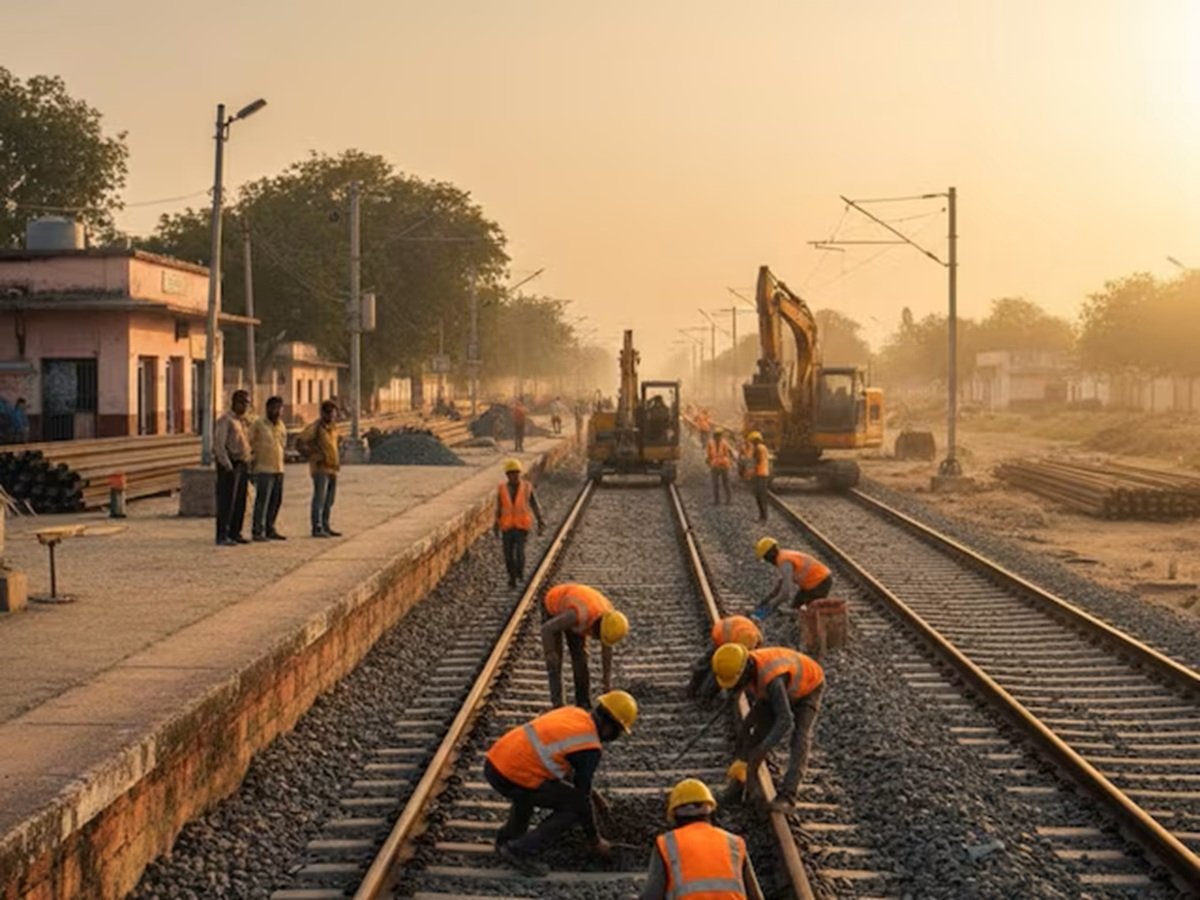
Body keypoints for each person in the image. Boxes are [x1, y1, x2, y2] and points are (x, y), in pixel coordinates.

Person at [484, 690, 638, 876]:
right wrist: (595, 840)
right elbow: (581, 799)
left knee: (531, 786)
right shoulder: (590, 748)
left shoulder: (574, 713)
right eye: (618, 732)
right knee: (573, 807)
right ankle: (521, 850)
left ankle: (507, 840)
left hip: (495, 764)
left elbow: (569, 769)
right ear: (610, 727)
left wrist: (595, 796)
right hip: (512, 776)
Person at [712, 642, 825, 809]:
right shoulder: (750, 668)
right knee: (749, 730)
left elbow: (785, 720)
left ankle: (788, 796)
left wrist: (762, 750)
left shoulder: (772, 680)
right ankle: (739, 785)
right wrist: (746, 735)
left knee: (800, 737)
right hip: (780, 688)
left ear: (746, 670)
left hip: (809, 686)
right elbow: (756, 715)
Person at [639, 778, 752, 900]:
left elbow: (652, 895)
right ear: (710, 811)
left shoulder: (667, 844)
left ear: (674, 815)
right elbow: (753, 892)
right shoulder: (735, 842)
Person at [541, 582, 629, 708]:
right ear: (597, 627)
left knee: (580, 658)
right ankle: (558, 705)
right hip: (553, 605)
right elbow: (547, 629)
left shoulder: (610, 621)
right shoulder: (580, 615)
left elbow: (607, 650)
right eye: (599, 637)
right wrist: (550, 652)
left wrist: (606, 683)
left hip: (575, 608)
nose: (598, 639)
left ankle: (583, 702)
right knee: (555, 661)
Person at [752, 537, 833, 621]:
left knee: (810, 611)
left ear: (770, 555)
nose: (768, 561)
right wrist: (766, 600)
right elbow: (781, 584)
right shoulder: (783, 556)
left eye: (765, 558)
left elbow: (785, 593)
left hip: (820, 582)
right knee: (796, 606)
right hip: (812, 583)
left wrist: (772, 604)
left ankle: (824, 623)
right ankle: (794, 624)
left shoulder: (784, 562)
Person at [494, 458, 546, 588]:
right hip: (507, 527)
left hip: (521, 526)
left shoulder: (527, 487)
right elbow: (499, 508)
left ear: (520, 473)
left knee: (520, 553)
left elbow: (534, 504)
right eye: (511, 473)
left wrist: (540, 520)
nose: (514, 476)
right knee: (508, 556)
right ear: (507, 475)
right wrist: (496, 525)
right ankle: (512, 578)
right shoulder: (502, 489)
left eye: (516, 473)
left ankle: (519, 572)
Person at [687, 614, 763, 701]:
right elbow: (738, 660)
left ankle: (692, 689)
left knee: (705, 663)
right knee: (723, 669)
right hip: (723, 639)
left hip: (719, 632)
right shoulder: (750, 640)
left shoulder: (750, 633)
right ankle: (706, 697)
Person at [213, 389, 252, 546]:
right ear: (235, 403)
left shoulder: (242, 421)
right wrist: (227, 465)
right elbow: (219, 445)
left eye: (247, 403)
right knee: (227, 501)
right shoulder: (225, 420)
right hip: (230, 464)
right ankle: (223, 534)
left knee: (240, 501)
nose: (245, 406)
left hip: (242, 463)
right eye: (243, 403)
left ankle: (236, 532)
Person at [297, 399, 341, 538]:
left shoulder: (333, 428)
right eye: (328, 413)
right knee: (319, 499)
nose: (331, 416)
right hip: (320, 468)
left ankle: (325, 525)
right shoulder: (315, 428)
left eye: (333, 414)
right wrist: (312, 455)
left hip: (332, 468)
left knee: (329, 500)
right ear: (322, 413)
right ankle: (317, 527)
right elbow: (300, 442)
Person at [249, 396, 287, 541]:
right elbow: (249, 442)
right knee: (262, 501)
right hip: (263, 468)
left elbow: (283, 444)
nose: (277, 411)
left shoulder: (281, 425)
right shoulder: (258, 424)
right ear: (267, 408)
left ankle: (270, 528)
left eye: (279, 408)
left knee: (276, 501)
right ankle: (258, 530)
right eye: (274, 408)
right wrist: (251, 463)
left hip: (278, 468)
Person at [705, 428, 734, 505]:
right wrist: (709, 461)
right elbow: (708, 454)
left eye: (719, 435)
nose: (718, 437)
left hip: (724, 465)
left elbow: (728, 454)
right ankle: (716, 500)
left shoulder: (725, 443)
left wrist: (726, 462)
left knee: (726, 483)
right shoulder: (710, 443)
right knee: (715, 484)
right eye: (716, 435)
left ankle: (729, 499)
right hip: (714, 465)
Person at [749, 431, 770, 523]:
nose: (752, 443)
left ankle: (763, 517)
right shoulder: (764, 447)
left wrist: (751, 473)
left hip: (759, 474)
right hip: (764, 473)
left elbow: (756, 461)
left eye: (753, 441)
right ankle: (763, 516)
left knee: (760, 496)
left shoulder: (757, 448)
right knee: (762, 496)